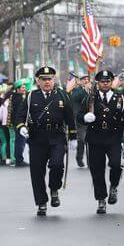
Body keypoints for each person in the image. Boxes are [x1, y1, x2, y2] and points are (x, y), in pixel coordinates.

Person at [16, 66, 77, 216]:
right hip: (37, 137)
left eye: (49, 79)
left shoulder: (62, 95)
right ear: (38, 81)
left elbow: (70, 117)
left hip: (57, 136)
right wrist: (21, 127)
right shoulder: (31, 96)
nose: (47, 82)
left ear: (54, 79)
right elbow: (19, 117)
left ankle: (54, 188)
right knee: (37, 172)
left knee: (57, 165)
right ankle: (41, 202)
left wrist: (73, 136)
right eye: (44, 79)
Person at [77, 70, 124, 214]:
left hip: (114, 137)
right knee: (97, 170)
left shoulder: (119, 98)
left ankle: (113, 186)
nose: (105, 83)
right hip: (95, 138)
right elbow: (78, 116)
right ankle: (101, 200)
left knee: (115, 165)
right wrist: (85, 117)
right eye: (102, 81)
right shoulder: (90, 98)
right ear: (98, 82)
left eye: (108, 81)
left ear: (111, 82)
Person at [70, 74, 91, 168]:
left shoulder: (92, 90)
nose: (86, 81)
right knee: (82, 140)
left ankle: (91, 161)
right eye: (84, 79)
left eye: (87, 79)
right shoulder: (77, 90)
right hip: (80, 119)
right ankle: (79, 158)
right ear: (80, 81)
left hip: (91, 119)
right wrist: (85, 90)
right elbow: (75, 98)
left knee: (91, 141)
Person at [10, 80, 29, 167]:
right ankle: (19, 160)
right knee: (20, 142)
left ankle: (19, 159)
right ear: (17, 89)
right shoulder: (19, 98)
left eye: (25, 87)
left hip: (16, 122)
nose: (24, 89)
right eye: (22, 87)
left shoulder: (15, 96)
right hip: (19, 123)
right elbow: (19, 113)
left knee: (19, 141)